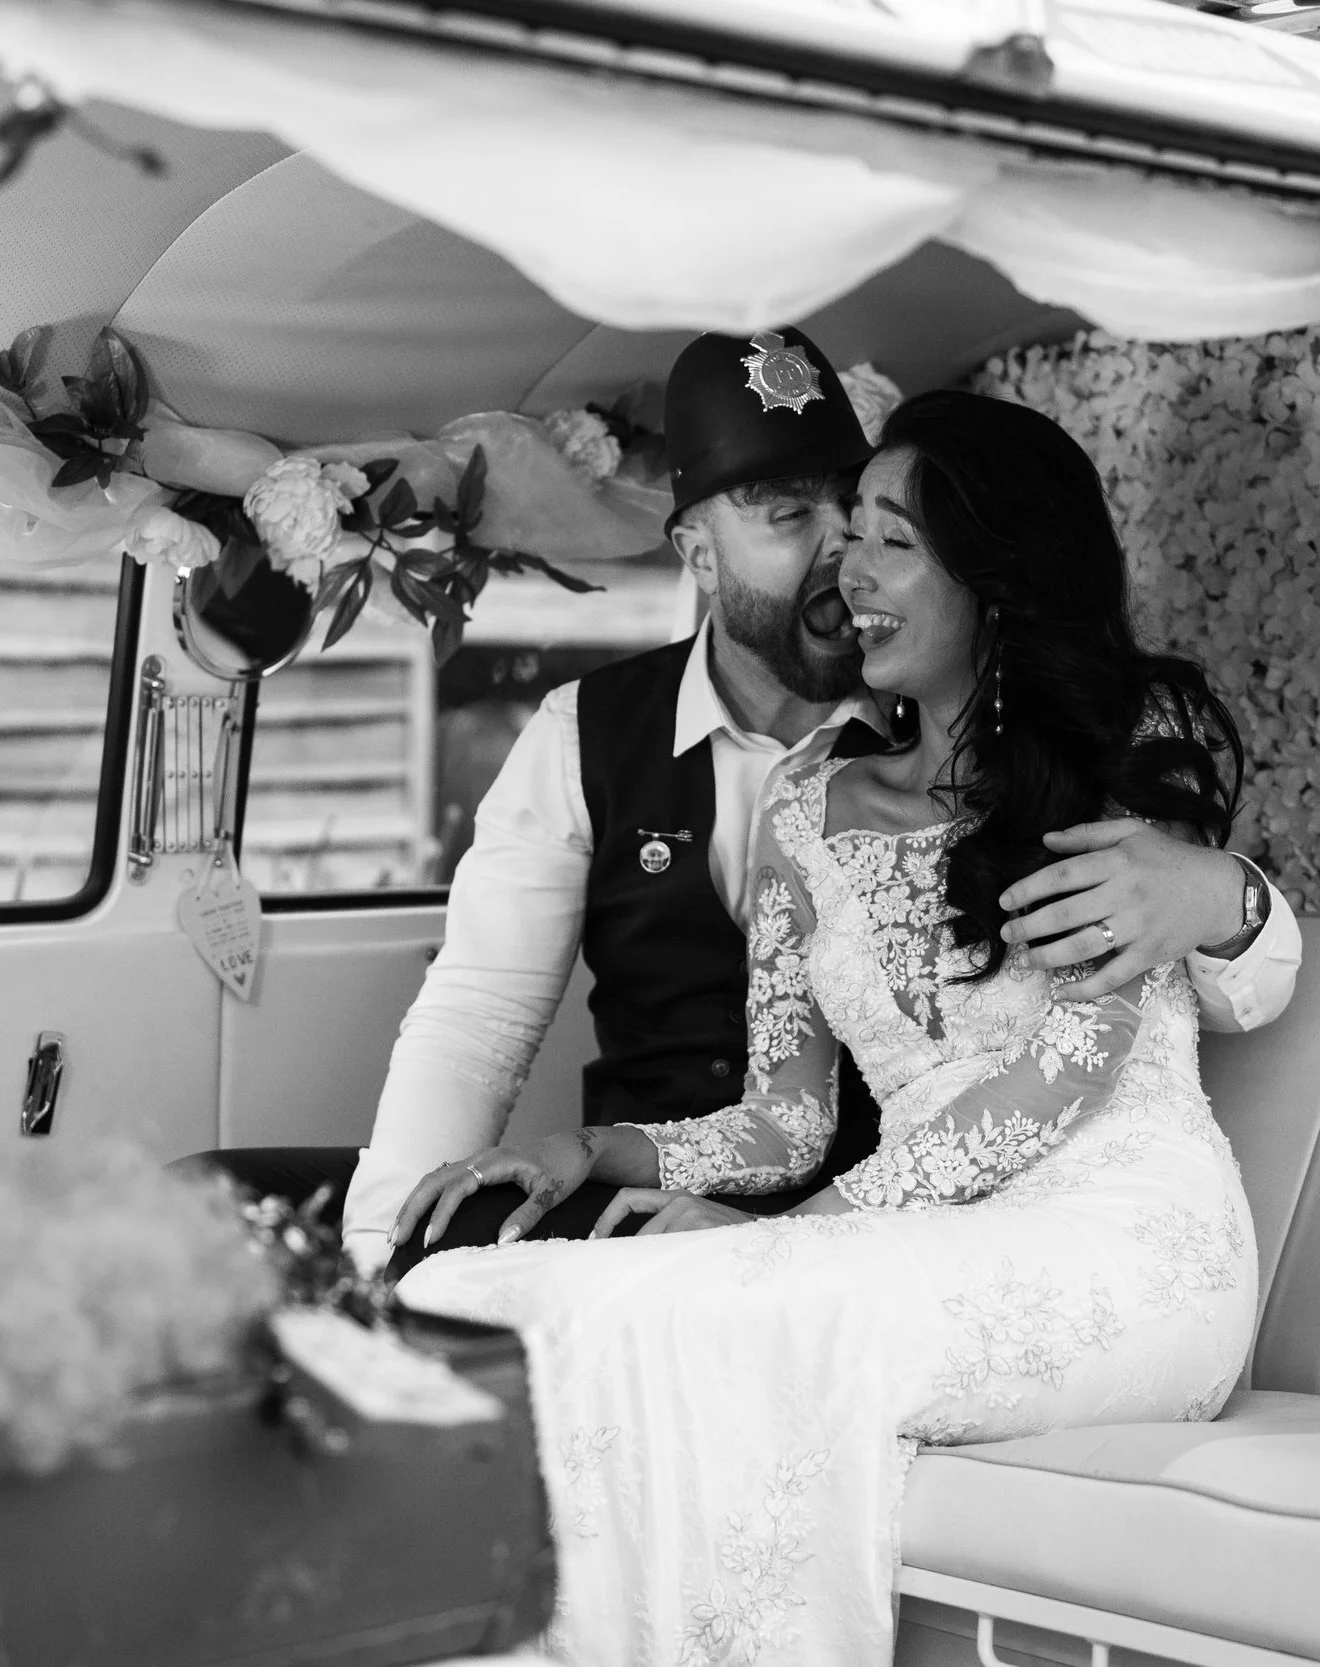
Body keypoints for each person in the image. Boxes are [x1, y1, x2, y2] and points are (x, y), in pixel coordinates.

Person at [395, 391, 1262, 1666]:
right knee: (476, 1291)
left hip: (1125, 1241)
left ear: (996, 575)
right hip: (908, 1236)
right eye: (843, 532)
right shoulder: (808, 801)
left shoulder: (1124, 741)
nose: (843, 572)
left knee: (734, 1308)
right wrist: (601, 1152)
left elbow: (1064, 1073)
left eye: (887, 539)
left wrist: (795, 1238)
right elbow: (785, 1113)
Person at [195, 327, 1298, 1274]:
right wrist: (386, 1239)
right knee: (233, 1206)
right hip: (682, 1175)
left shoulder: (992, 725)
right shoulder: (587, 736)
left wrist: (1226, 893)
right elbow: (479, 1015)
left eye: (857, 516)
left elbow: (1179, 986)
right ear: (696, 550)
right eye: (788, 516)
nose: (839, 556)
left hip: (888, 1212)